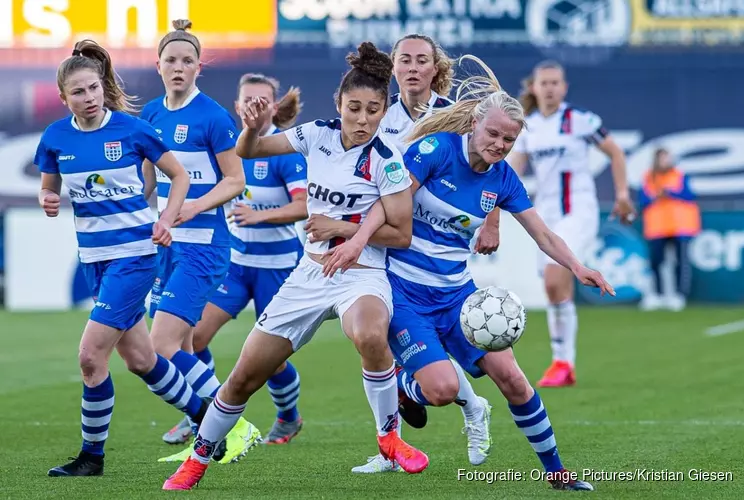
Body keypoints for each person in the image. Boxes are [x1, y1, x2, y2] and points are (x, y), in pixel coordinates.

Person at [310, 56, 613, 491]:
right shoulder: (436, 151)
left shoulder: (503, 179)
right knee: (441, 391)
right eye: (493, 134)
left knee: (513, 379)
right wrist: (356, 239)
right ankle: (401, 383)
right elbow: (389, 205)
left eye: (508, 140)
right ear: (473, 123)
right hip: (405, 295)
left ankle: (558, 474)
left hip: (457, 297)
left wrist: (579, 267)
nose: (499, 145)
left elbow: (543, 233)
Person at [162, 41, 429, 491]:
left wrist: (339, 227)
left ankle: (389, 438)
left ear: (385, 110)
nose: (363, 119)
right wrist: (248, 129)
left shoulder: (389, 161)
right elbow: (249, 152)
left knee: (368, 333)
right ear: (338, 104)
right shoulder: (316, 135)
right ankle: (198, 460)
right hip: (307, 275)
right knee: (244, 377)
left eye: (373, 110)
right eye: (354, 108)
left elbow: (400, 234)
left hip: (362, 274)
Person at [37, 39, 217, 476]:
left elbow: (179, 176)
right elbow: (49, 186)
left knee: (90, 357)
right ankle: (209, 423)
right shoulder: (56, 137)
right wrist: (47, 197)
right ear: (64, 99)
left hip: (134, 258)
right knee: (140, 359)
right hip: (95, 260)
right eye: (79, 92)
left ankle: (91, 457)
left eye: (94, 88)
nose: (90, 97)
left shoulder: (132, 130)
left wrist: (168, 219)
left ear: (103, 87)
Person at [348, 33, 497, 474]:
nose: (413, 68)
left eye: (422, 61)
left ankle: (463, 404)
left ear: (437, 68)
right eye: (405, 60)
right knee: (372, 343)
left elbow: (490, 165)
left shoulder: (455, 116)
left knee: (400, 346)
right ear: (394, 68)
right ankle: (392, 446)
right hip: (385, 243)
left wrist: (492, 220)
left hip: (433, 248)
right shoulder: (381, 116)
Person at [160, 73, 308, 451]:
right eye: (247, 99)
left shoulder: (280, 150)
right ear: (237, 105)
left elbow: (303, 205)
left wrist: (259, 215)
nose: (254, 105)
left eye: (262, 99)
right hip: (236, 264)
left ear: (274, 107)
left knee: (270, 360)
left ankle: (289, 414)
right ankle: (200, 412)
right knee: (192, 337)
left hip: (277, 267)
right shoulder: (228, 143)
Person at [140, 19, 259, 462]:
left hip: (204, 246)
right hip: (166, 245)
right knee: (185, 346)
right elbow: (147, 184)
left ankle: (237, 425)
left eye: (187, 61)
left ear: (198, 68)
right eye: (170, 59)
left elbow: (235, 180)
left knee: (161, 345)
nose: (178, 67)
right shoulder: (150, 115)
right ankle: (203, 434)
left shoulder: (212, 116)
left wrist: (191, 206)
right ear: (158, 66)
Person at [507, 60, 635, 388]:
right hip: (545, 215)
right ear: (534, 87)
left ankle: (563, 362)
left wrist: (621, 194)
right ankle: (563, 363)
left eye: (555, 82)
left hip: (578, 210)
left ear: (564, 88)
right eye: (543, 83)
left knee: (554, 276)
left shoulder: (578, 119)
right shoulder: (528, 127)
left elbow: (616, 153)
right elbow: (512, 170)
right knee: (554, 288)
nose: (549, 88)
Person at [638, 147, 700, 311]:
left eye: (668, 158)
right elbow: (642, 201)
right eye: (662, 158)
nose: (666, 162)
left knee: (681, 262)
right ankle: (656, 295)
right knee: (656, 262)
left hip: (679, 226)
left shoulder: (679, 175)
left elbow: (690, 196)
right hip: (657, 227)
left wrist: (671, 193)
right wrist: (656, 196)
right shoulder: (648, 178)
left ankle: (679, 295)